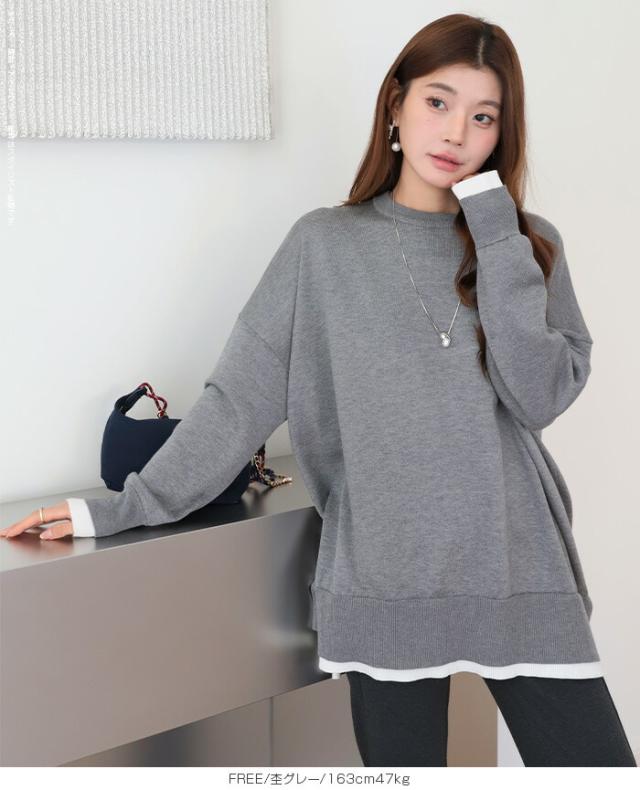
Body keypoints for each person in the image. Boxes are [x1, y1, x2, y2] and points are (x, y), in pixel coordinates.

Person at [2, 12, 636, 768]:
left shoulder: (526, 244)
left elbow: (539, 397)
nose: (456, 132)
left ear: (502, 133)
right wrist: (114, 509)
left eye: (483, 116)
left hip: (519, 570)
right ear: (396, 103)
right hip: (384, 579)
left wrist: (498, 231)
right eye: (438, 101)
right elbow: (239, 400)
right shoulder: (323, 245)